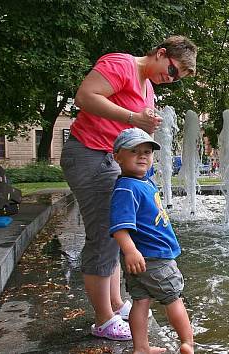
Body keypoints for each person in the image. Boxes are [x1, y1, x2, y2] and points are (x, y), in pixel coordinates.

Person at [60, 35, 197, 341]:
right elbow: (85, 96)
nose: (170, 79)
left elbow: (132, 133)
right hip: (89, 153)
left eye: (177, 79)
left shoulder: (147, 87)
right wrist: (135, 117)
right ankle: (104, 320)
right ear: (161, 53)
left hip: (108, 157)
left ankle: (116, 304)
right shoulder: (122, 64)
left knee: (115, 233)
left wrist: (145, 126)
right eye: (173, 70)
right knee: (101, 238)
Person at [110, 128, 193, 354]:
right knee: (173, 298)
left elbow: (146, 169)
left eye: (147, 151)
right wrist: (130, 251)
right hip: (153, 256)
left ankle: (142, 348)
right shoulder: (126, 188)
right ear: (117, 156)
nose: (143, 156)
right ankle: (187, 343)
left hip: (144, 257)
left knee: (140, 301)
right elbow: (119, 227)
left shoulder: (141, 181)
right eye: (134, 151)